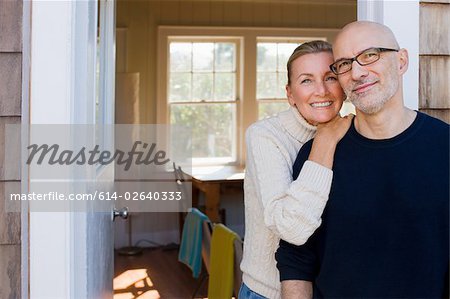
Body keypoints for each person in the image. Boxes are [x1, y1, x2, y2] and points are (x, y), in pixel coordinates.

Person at [276, 21, 449, 298]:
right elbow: (296, 260)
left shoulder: (444, 147)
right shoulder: (317, 155)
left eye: (370, 55)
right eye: (344, 64)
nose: (357, 72)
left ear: (401, 61)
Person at [240, 40, 353, 299]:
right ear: (290, 94)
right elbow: (291, 228)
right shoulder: (265, 136)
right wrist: (325, 140)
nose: (321, 90)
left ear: (344, 87)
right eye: (306, 80)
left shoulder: (354, 133)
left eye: (330, 77)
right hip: (267, 292)